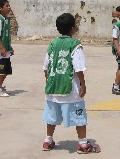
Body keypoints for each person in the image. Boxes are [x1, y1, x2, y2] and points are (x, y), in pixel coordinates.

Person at [42, 13, 101, 154]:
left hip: (52, 87)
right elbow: (79, 68)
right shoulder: (75, 45)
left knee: (51, 115)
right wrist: (83, 85)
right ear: (73, 28)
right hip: (70, 89)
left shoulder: (52, 44)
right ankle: (83, 144)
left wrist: (49, 82)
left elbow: (46, 67)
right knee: (79, 114)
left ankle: (48, 141)